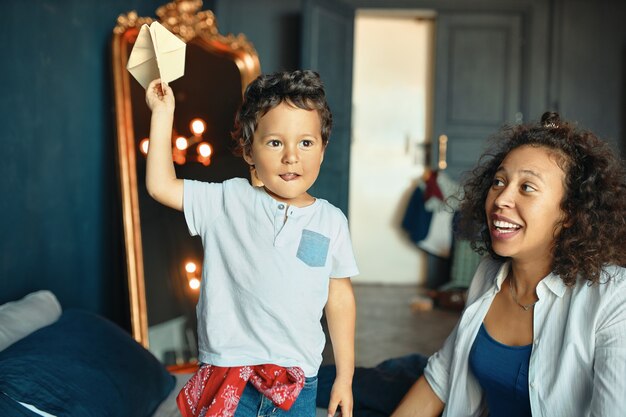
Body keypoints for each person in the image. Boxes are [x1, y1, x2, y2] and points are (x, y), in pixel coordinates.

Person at [144, 70, 358, 417]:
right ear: (248, 150)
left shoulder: (331, 221)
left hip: (298, 383)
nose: (292, 156)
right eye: (275, 142)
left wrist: (345, 376)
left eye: (306, 142)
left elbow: (340, 299)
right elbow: (160, 186)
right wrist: (162, 112)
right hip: (229, 376)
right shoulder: (227, 200)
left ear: (322, 149)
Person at [388, 111, 626, 417]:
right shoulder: (489, 273)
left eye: (527, 187)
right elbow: (442, 378)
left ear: (570, 212)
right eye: (499, 182)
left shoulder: (613, 297)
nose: (501, 199)